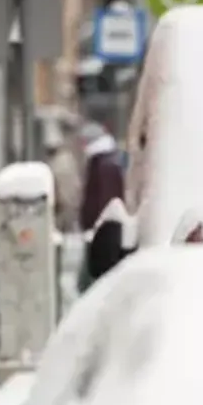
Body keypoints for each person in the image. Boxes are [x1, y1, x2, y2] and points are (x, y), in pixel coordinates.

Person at [77, 123, 127, 292]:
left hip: (99, 233)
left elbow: (105, 199)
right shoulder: (102, 162)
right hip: (99, 231)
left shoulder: (103, 165)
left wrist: (95, 225)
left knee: (89, 284)